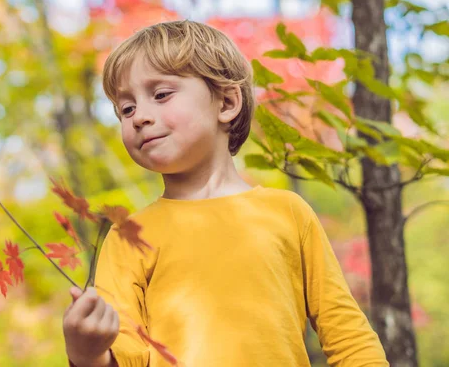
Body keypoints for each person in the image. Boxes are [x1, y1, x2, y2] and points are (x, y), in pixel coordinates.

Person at [62, 20, 389, 367]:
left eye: (160, 95)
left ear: (227, 103)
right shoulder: (127, 237)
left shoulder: (288, 212)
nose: (139, 116)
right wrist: (89, 354)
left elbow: (349, 338)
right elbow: (126, 353)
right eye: (126, 109)